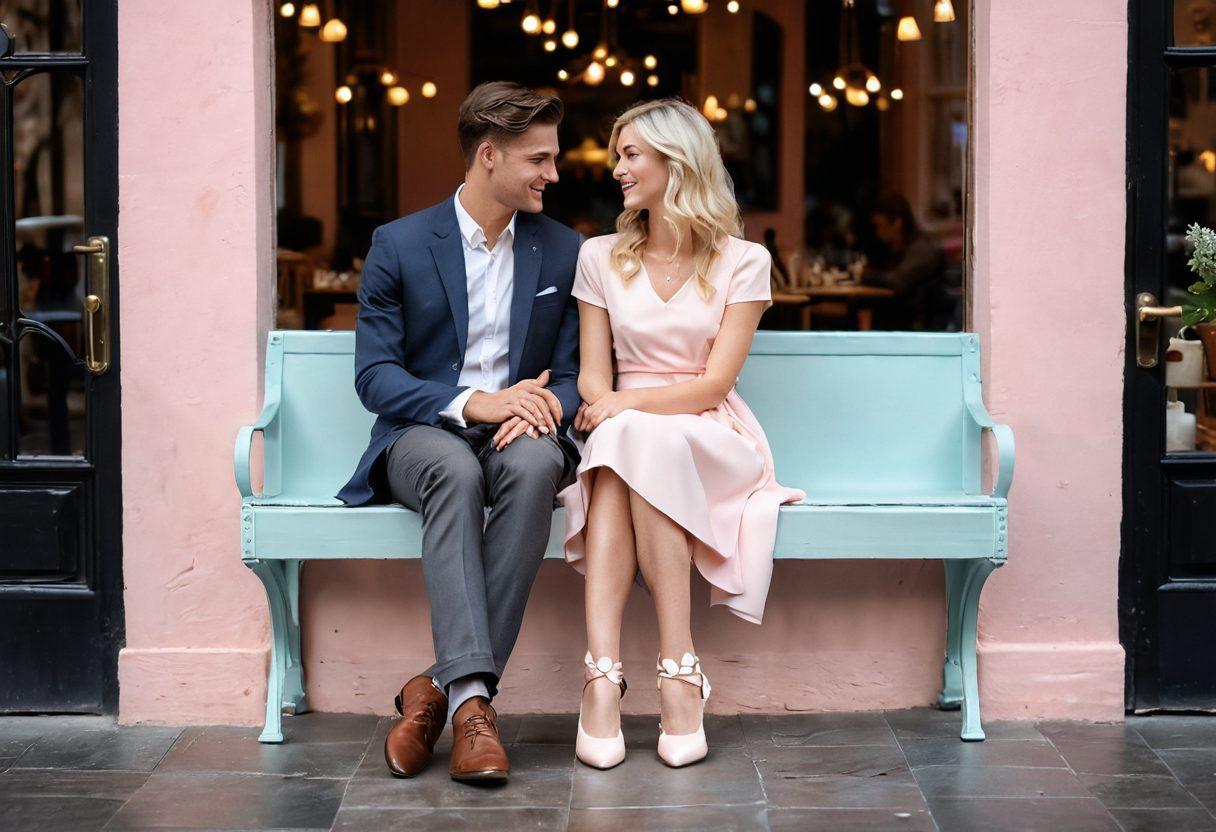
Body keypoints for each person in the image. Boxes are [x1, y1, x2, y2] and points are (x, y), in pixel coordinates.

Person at [336, 81, 582, 783]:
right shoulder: (401, 244)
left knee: (538, 468)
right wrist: (477, 403)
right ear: (487, 156)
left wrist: (542, 407)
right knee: (455, 469)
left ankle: (443, 696)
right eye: (539, 159)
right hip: (423, 433)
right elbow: (375, 378)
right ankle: (475, 709)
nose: (553, 174)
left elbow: (571, 378)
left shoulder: (563, 252)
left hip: (521, 431)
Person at [552, 99, 805, 770]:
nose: (616, 169)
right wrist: (616, 411)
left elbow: (713, 385)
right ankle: (665, 673)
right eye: (618, 155)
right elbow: (594, 380)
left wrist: (625, 412)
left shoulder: (744, 261)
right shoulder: (599, 256)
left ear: (677, 161)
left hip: (709, 433)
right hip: (623, 432)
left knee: (631, 442)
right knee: (626, 445)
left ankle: (615, 677)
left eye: (631, 154)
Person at [862, 193, 950, 330]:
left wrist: (867, 275)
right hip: (905, 317)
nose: (877, 232)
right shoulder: (901, 247)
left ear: (897, 222)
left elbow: (897, 281)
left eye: (879, 225)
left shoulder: (922, 248)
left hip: (920, 324)